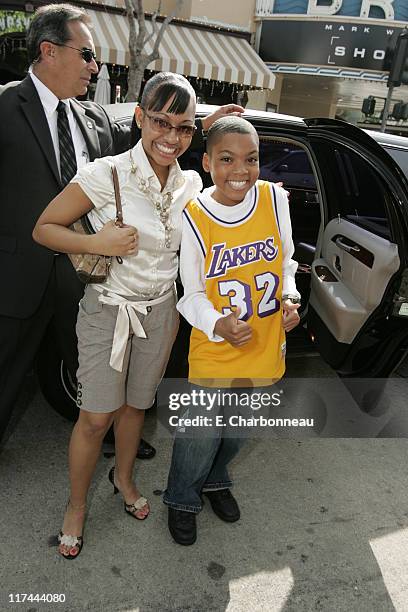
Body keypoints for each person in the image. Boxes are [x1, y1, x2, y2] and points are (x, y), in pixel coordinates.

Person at [0, 2, 242, 458]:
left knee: (91, 378)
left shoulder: (91, 118)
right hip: (18, 276)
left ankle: (113, 437)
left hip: (85, 278)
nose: (95, 66)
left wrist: (204, 125)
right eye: (87, 54)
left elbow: (148, 136)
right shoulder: (5, 106)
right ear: (49, 51)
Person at [33, 70, 224, 559]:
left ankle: (123, 478)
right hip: (107, 312)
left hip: (160, 313)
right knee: (95, 418)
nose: (171, 137)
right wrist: (96, 242)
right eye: (161, 122)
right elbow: (45, 228)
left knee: (136, 408)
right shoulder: (107, 173)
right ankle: (76, 506)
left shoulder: (192, 185)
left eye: (184, 127)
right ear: (140, 117)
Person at [163, 116, 301, 545]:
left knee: (236, 431)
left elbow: (286, 264)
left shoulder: (275, 200)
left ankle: (214, 482)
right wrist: (219, 323)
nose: (240, 170)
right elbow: (190, 295)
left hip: (263, 345)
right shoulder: (195, 216)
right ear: (206, 162)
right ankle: (182, 498)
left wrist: (291, 299)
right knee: (200, 433)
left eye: (251, 159)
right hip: (217, 347)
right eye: (227, 159)